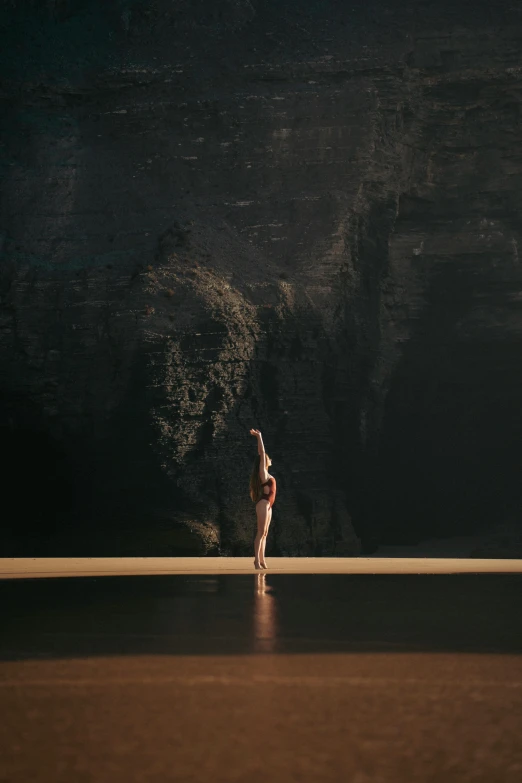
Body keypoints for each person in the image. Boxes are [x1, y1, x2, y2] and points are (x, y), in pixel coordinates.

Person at [249, 428, 277, 569]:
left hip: (268, 505)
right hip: (263, 504)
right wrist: (259, 436)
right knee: (260, 532)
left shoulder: (267, 475)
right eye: (267, 458)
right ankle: (256, 561)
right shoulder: (263, 474)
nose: (269, 458)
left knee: (265, 533)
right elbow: (262, 453)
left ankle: (263, 560)